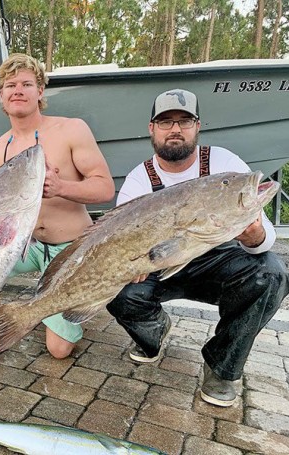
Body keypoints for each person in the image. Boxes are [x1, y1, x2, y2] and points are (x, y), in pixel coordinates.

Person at [107, 88, 289, 407]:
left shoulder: (225, 165)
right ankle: (154, 332)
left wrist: (254, 235)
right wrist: (128, 266)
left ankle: (221, 367)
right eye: (166, 121)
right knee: (116, 290)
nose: (175, 129)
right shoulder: (139, 180)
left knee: (271, 275)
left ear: (197, 126)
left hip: (217, 264)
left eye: (184, 120)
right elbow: (120, 242)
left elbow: (267, 239)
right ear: (152, 128)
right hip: (161, 265)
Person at [0, 53, 115, 364]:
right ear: (2, 96)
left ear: (40, 91)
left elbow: (105, 188)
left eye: (27, 83)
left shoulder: (71, 130)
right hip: (26, 245)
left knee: (58, 350)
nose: (18, 90)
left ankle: (66, 302)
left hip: (71, 246)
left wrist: (61, 188)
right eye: (10, 85)